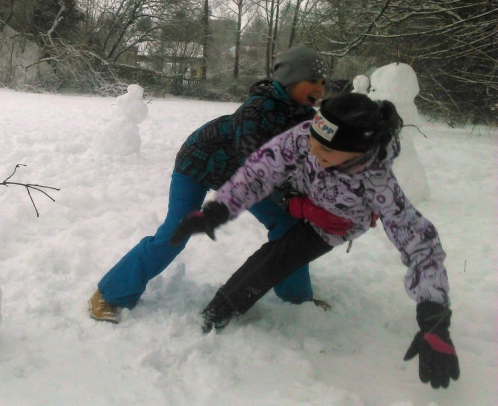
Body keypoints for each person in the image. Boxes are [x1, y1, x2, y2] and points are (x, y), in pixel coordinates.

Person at [171, 93, 459, 389]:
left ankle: (220, 310)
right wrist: (217, 211)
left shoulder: (377, 183)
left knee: (277, 258)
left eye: (325, 150)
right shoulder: (310, 135)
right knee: (275, 248)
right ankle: (221, 307)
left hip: (331, 224)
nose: (312, 150)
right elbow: (262, 169)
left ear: (358, 150)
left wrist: (434, 317)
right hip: (298, 192)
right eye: (313, 141)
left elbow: (420, 244)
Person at [89, 45, 352, 324]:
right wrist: (295, 200)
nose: (320, 88)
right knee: (175, 232)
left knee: (288, 228)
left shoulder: (307, 117)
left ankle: (295, 296)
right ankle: (110, 294)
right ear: (291, 79)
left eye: (323, 82)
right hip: (198, 163)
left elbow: (318, 156)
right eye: (312, 80)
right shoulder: (256, 110)